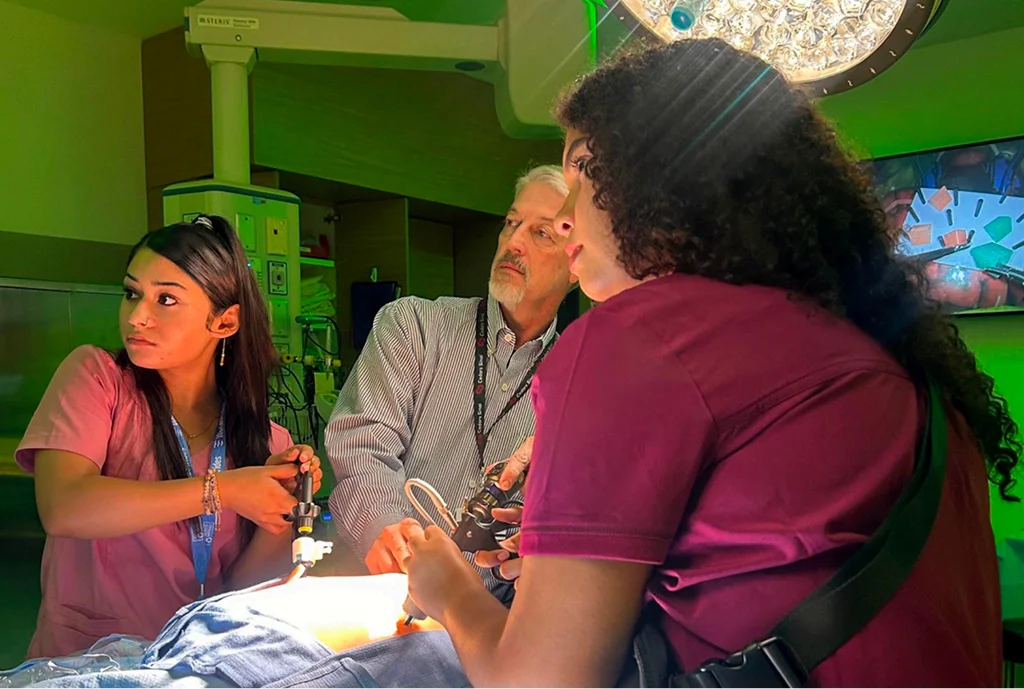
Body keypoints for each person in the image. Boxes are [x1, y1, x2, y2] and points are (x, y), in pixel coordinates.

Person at [401, 39, 1015, 687]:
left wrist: (448, 590)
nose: (559, 216)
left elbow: (540, 682)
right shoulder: (891, 362)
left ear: (671, 176)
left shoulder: (638, 335)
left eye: (584, 172)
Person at [15, 215, 323, 659]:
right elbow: (65, 506)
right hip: (80, 665)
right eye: (131, 293)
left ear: (225, 322)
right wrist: (225, 491)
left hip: (192, 667)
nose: (138, 316)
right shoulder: (99, 380)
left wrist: (282, 510)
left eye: (166, 300)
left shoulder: (264, 442)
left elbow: (242, 595)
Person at [326, 164, 576, 595]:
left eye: (541, 234)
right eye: (512, 223)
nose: (513, 242)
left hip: (489, 626)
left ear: (578, 264)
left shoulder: (581, 380)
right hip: (381, 595)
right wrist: (389, 532)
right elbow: (361, 447)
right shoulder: (415, 326)